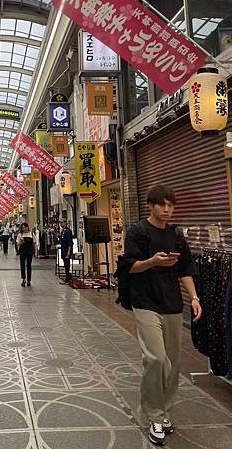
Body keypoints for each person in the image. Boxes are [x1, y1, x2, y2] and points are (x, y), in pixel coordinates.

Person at [124, 184, 202, 446]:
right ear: (151, 205)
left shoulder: (176, 235)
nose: (167, 209)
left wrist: (194, 297)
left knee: (173, 361)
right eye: (162, 205)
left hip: (171, 303)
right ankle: (154, 415)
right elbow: (129, 267)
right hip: (145, 301)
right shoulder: (138, 231)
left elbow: (185, 269)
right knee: (156, 358)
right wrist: (152, 262)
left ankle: (165, 410)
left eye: (171, 205)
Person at [16, 222, 36, 287]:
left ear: (27, 227)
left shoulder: (31, 234)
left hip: (29, 251)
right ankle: (23, 278)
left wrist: (35, 251)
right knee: (22, 265)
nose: (24, 229)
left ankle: (29, 280)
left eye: (25, 227)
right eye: (22, 228)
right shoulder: (20, 235)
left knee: (29, 265)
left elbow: (34, 243)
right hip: (22, 251)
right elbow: (17, 244)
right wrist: (21, 243)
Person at [59, 219, 73, 284]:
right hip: (63, 250)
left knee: (67, 265)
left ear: (65, 223)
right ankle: (67, 277)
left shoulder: (68, 231)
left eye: (62, 223)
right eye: (60, 223)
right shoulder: (62, 231)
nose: (61, 224)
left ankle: (68, 278)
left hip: (67, 250)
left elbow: (70, 242)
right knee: (65, 264)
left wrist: (69, 252)